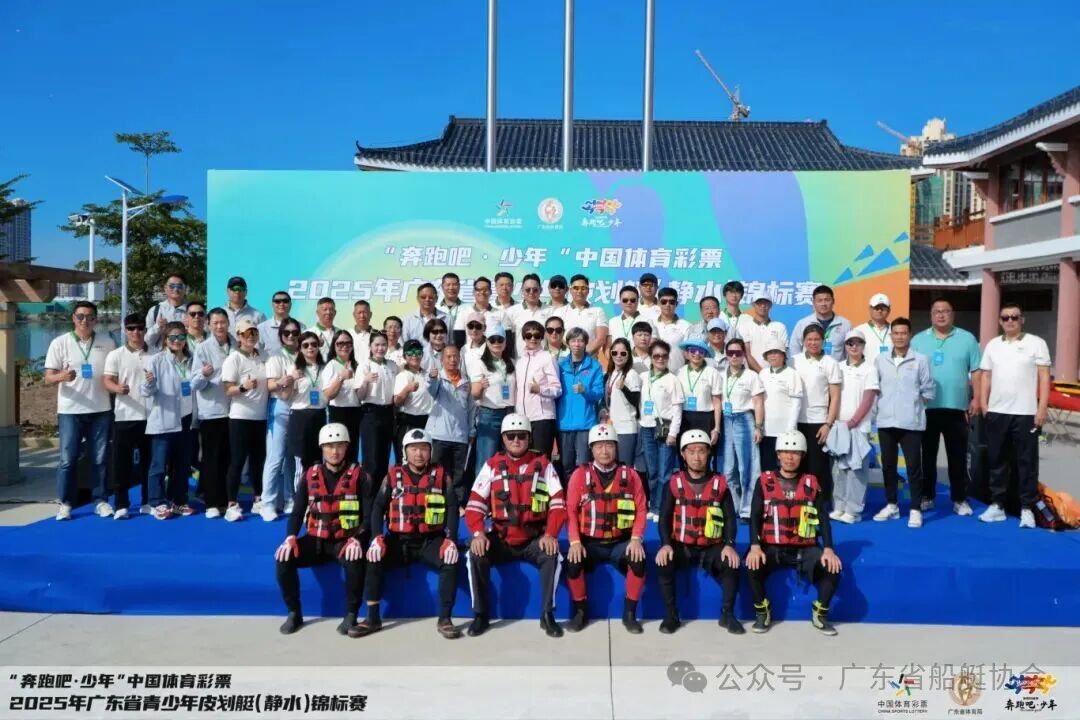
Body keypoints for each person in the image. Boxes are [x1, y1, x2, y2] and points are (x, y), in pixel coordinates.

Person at [351, 429, 461, 639]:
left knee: (451, 560)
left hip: (430, 540)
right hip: (398, 541)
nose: (419, 454)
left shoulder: (441, 476)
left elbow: (453, 507)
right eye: (413, 449)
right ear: (405, 451)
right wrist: (376, 538)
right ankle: (372, 618)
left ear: (430, 451)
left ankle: (445, 618)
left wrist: (451, 540)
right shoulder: (392, 476)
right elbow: (378, 507)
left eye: (423, 449)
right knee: (373, 558)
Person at [464, 413, 567, 637]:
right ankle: (480, 615)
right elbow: (474, 505)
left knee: (553, 555)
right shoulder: (492, 465)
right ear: (503, 439)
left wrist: (550, 534)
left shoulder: (544, 465)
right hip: (501, 538)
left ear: (529, 438)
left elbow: (559, 503)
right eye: (511, 436)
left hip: (533, 539)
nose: (516, 440)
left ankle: (547, 615)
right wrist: (478, 533)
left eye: (521, 435)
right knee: (475, 553)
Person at [274, 423, 367, 636]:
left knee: (355, 562)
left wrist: (358, 539)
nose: (335, 451)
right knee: (283, 559)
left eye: (340, 446)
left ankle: (351, 614)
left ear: (347, 447)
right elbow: (297, 512)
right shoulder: (310, 475)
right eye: (330, 446)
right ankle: (294, 613)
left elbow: (369, 513)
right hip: (316, 540)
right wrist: (290, 537)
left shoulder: (359, 475)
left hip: (345, 540)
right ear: (322, 448)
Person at [746, 431, 843, 636]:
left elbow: (823, 518)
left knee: (833, 568)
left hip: (805, 547)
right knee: (752, 564)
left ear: (802, 456)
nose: (790, 457)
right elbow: (754, 516)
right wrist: (754, 546)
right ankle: (762, 612)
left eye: (795, 453)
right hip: (772, 546)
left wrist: (828, 549)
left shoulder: (812, 483)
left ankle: (820, 613)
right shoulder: (764, 481)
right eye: (785, 452)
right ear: (778, 455)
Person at [655, 429, 743, 635]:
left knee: (731, 562)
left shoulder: (720, 483)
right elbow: (664, 517)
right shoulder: (674, 482)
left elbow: (730, 518)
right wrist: (666, 544)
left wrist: (729, 545)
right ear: (683, 454)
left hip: (712, 546)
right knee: (663, 562)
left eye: (701, 451)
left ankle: (727, 613)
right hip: (681, 545)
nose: (696, 457)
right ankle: (671, 615)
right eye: (691, 451)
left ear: (708, 453)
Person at [564, 424, 648, 634]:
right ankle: (580, 612)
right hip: (589, 542)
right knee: (572, 563)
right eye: (599, 446)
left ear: (616, 448)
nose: (604, 451)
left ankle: (630, 614)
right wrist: (575, 542)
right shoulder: (579, 475)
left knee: (639, 560)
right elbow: (570, 511)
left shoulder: (631, 476)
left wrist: (636, 539)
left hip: (620, 542)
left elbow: (641, 509)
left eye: (609, 445)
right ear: (591, 449)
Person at [978, 303, 1051, 528]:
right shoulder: (993, 345)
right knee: (997, 459)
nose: (1010, 321)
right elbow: (986, 376)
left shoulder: (1036, 343)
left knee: (1027, 462)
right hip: (997, 411)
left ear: (1022, 319)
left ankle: (1027, 508)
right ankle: (997, 504)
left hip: (1026, 413)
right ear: (1000, 321)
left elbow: (1044, 377)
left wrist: (1042, 408)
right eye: (1005, 318)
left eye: (1014, 317)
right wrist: (983, 403)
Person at [44, 300, 116, 520]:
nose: (85, 321)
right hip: (70, 410)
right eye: (80, 316)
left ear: (96, 319)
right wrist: (62, 376)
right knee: (67, 459)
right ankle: (65, 503)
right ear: (73, 318)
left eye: (90, 317)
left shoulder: (107, 342)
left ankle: (100, 500)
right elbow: (48, 377)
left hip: (100, 409)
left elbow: (115, 372)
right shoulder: (60, 342)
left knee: (99, 459)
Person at [911, 298, 981, 516]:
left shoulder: (967, 339)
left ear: (953, 314)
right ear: (931, 315)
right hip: (927, 407)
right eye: (937, 311)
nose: (941, 315)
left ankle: (959, 498)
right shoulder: (918, 340)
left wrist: (977, 398)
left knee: (957, 456)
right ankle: (927, 496)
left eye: (946, 311)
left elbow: (976, 371)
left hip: (957, 408)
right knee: (927, 456)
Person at [872, 318, 935, 528]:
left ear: (910, 335)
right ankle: (892, 504)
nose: (899, 337)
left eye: (903, 333)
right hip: (886, 421)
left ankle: (915, 509)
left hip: (911, 424)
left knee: (913, 467)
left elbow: (928, 390)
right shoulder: (880, 359)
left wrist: (912, 408)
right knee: (888, 466)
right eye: (896, 333)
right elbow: (875, 388)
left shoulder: (921, 360)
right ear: (891, 335)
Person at [140, 321, 197, 519]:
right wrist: (149, 383)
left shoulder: (192, 359)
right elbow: (145, 391)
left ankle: (179, 500)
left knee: (182, 464)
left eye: (181, 337)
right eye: (172, 337)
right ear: (165, 339)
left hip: (186, 418)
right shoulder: (156, 360)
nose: (177, 341)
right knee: (159, 464)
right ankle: (157, 502)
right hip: (164, 419)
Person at [104, 314, 150, 519]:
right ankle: (121, 504)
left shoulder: (156, 353)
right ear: (125, 330)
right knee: (121, 463)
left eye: (139, 328)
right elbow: (107, 380)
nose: (135, 332)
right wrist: (117, 388)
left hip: (151, 417)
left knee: (150, 463)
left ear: (145, 330)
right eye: (131, 328)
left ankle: (148, 501)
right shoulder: (116, 355)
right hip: (125, 416)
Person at [221, 319, 269, 522]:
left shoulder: (263, 356)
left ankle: (258, 498)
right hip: (240, 417)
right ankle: (232, 504)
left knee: (258, 460)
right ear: (239, 336)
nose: (251, 337)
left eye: (254, 333)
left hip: (260, 417)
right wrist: (243, 387)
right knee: (238, 460)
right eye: (246, 333)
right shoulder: (233, 359)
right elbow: (227, 389)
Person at [831, 329, 879, 524]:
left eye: (858, 343)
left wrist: (853, 422)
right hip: (839, 426)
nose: (854, 346)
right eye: (850, 343)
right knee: (839, 469)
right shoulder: (838, 367)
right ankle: (839, 506)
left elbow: (868, 399)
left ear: (863, 346)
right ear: (845, 346)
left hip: (859, 427)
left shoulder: (870, 369)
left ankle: (854, 510)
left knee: (857, 470)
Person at [191, 308, 233, 519]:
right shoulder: (203, 348)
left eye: (222, 322)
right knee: (211, 459)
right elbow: (194, 383)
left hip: (234, 410)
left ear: (228, 323)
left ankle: (225, 501)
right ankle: (211, 502)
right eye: (215, 323)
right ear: (209, 325)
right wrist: (204, 375)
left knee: (228, 458)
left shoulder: (237, 344)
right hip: (212, 412)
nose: (219, 326)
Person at [793, 324, 841, 501]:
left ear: (823, 341)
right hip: (796, 421)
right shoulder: (794, 361)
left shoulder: (830, 363)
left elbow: (835, 397)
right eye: (809, 339)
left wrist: (828, 424)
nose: (813, 343)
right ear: (803, 341)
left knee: (817, 467)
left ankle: (820, 504)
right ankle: (799, 502)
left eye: (817, 339)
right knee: (797, 465)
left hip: (819, 422)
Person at [262, 319, 302, 521]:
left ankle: (289, 498)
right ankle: (268, 503)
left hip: (299, 406)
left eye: (295, 333)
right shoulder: (275, 357)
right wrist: (286, 379)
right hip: (280, 406)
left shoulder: (303, 354)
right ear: (281, 336)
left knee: (291, 457)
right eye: (287, 333)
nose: (291, 336)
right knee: (275, 457)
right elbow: (269, 385)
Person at [720, 338, 765, 520]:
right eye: (730, 353)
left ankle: (748, 509)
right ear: (726, 355)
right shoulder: (720, 375)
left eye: (738, 353)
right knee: (728, 468)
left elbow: (758, 403)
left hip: (744, 420)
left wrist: (758, 427)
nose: (734, 356)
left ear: (743, 355)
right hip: (725, 420)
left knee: (747, 468)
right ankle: (733, 506)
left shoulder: (751, 376)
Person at [639, 339, 685, 518]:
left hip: (665, 429)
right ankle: (653, 505)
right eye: (656, 356)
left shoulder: (672, 380)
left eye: (664, 356)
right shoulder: (643, 377)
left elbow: (677, 409)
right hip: (647, 428)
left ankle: (661, 508)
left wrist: (673, 433)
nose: (660, 359)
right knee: (652, 471)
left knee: (665, 472)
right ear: (650, 357)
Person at [426, 344, 474, 506]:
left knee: (458, 475)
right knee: (437, 472)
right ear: (442, 359)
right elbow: (431, 389)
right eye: (448, 357)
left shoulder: (466, 381)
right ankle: (435, 502)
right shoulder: (437, 378)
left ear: (460, 359)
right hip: (438, 435)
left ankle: (458, 505)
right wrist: (432, 378)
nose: (452, 360)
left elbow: (471, 408)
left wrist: (471, 430)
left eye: (455, 356)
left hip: (460, 436)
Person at [467, 323, 516, 475]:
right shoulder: (480, 363)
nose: (496, 343)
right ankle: (482, 490)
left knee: (509, 459)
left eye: (500, 340)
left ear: (505, 342)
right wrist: (480, 387)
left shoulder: (511, 362)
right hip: (489, 414)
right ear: (487, 342)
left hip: (510, 413)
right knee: (486, 459)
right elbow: (475, 394)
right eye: (492, 340)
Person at [557, 328, 604, 474]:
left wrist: (585, 390)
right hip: (564, 423)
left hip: (585, 423)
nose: (577, 344)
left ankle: (584, 489)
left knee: (584, 465)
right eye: (573, 341)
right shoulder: (560, 365)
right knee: (566, 465)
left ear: (585, 343)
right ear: (568, 343)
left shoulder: (595, 366)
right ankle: (568, 489)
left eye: (580, 341)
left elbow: (599, 393)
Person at [513, 319, 562, 459]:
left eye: (537, 335)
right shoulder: (519, 361)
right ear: (524, 338)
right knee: (524, 461)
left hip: (542, 418)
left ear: (542, 337)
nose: (533, 339)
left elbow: (557, 389)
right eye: (528, 336)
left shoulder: (548, 358)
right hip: (522, 419)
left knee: (541, 461)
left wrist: (540, 389)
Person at [357, 331, 397, 490]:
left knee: (383, 458)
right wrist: (365, 381)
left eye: (384, 345)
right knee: (371, 460)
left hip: (388, 413)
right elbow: (359, 395)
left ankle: (382, 496)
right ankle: (368, 497)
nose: (380, 348)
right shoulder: (364, 366)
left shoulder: (392, 365)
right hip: (370, 413)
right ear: (370, 347)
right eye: (377, 345)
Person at [675, 338, 722, 471]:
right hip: (684, 417)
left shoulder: (712, 372)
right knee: (685, 454)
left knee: (705, 455)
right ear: (687, 353)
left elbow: (717, 402)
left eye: (701, 351)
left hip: (706, 418)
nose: (696, 354)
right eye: (693, 351)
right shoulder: (679, 372)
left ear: (705, 353)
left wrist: (716, 428)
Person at [757, 337, 803, 474]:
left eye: (776, 352)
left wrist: (790, 428)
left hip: (785, 432)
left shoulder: (792, 374)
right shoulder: (763, 374)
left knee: (785, 470)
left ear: (783, 355)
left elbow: (796, 403)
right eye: (769, 353)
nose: (773, 356)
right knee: (767, 469)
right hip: (766, 431)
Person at [286, 331, 328, 473]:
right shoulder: (294, 368)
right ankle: (300, 488)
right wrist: (291, 379)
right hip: (300, 416)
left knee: (317, 460)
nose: (310, 348)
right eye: (306, 345)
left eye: (314, 344)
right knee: (301, 460)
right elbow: (286, 395)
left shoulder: (325, 368)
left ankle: (315, 487)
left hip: (320, 415)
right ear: (299, 348)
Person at [321, 329, 362, 465]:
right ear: (334, 346)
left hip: (356, 411)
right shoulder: (331, 366)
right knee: (339, 453)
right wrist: (341, 378)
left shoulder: (356, 365)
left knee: (353, 452)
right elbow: (328, 395)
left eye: (348, 343)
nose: (344, 346)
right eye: (340, 343)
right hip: (339, 412)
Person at [605, 338, 644, 471]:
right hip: (613, 426)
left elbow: (636, 400)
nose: (619, 356)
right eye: (615, 353)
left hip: (626, 428)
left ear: (628, 355)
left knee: (625, 468)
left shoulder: (631, 374)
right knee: (614, 467)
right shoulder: (611, 374)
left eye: (623, 353)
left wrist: (624, 389)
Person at [393, 339, 434, 463]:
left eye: (418, 352)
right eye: (410, 353)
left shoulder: (427, 375)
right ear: (404, 356)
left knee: (425, 461)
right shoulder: (402, 376)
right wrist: (407, 389)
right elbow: (397, 402)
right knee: (406, 461)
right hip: (408, 422)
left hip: (427, 422)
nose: (414, 356)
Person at [790, 285, 851, 361]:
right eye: (820, 300)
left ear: (833, 301)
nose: (823, 304)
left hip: (836, 367)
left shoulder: (845, 324)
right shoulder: (803, 324)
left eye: (827, 300)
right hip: (809, 367)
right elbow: (794, 348)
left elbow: (850, 352)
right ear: (813, 302)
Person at [737, 296, 788, 373]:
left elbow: (783, 352)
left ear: (770, 306)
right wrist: (762, 373)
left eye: (766, 303)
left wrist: (770, 374)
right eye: (759, 303)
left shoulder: (780, 327)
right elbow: (747, 354)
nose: (763, 306)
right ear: (753, 305)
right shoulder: (744, 327)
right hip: (751, 374)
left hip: (775, 373)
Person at [458, 276, 507, 351]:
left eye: (485, 289)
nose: (482, 292)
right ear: (473, 292)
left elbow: (507, 340)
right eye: (478, 289)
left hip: (493, 355)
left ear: (490, 292)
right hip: (470, 355)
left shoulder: (501, 314)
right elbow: (458, 340)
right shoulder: (464, 313)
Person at [564, 274, 608, 356]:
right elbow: (559, 337)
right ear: (570, 290)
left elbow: (601, 339)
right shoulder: (560, 312)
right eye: (576, 288)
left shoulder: (598, 311)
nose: (579, 291)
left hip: (589, 359)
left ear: (588, 291)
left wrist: (583, 355)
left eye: (583, 288)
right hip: (565, 358)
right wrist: (575, 354)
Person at [506, 273, 549, 358]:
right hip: (520, 360)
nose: (531, 292)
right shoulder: (512, 311)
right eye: (528, 290)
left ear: (541, 290)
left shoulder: (550, 311)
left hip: (543, 360)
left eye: (535, 290)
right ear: (522, 290)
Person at [144, 273, 189, 351]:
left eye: (179, 286)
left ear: (185, 289)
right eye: (172, 286)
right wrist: (158, 327)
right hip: (161, 356)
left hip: (187, 356)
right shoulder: (155, 310)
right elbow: (147, 341)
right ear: (165, 288)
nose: (176, 289)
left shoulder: (194, 312)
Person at [654, 287, 692, 372]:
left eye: (671, 302)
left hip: (678, 374)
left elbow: (690, 354)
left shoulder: (686, 326)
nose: (667, 305)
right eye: (664, 302)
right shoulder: (652, 324)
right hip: (655, 373)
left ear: (676, 304)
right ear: (658, 303)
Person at [258, 291, 303, 355]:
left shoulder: (301, 326)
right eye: (277, 301)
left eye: (285, 301)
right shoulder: (261, 328)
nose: (281, 304)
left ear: (290, 304)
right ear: (272, 304)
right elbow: (255, 353)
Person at [852, 293, 892, 365]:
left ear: (889, 310)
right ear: (870, 309)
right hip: (867, 371)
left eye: (883, 308)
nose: (880, 311)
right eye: (876, 308)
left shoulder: (896, 331)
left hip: (890, 371)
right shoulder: (858, 331)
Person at [312, 297, 341, 362]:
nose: (328, 312)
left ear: (335, 312)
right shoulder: (309, 333)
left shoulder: (341, 333)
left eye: (331, 309)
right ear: (317, 313)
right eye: (325, 309)